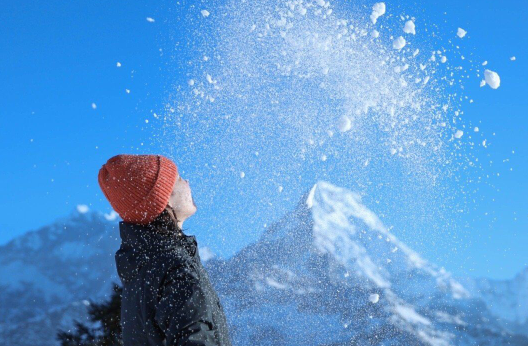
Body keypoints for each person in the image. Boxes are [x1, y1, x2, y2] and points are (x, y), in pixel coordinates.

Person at [98, 154, 232, 346]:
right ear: (164, 198)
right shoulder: (174, 267)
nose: (186, 181)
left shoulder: (142, 269)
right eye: (178, 178)